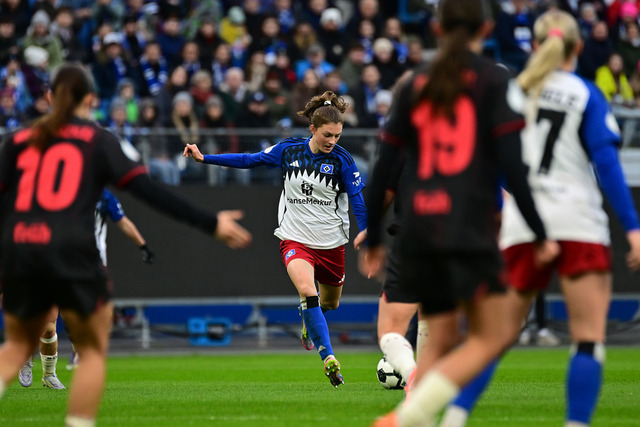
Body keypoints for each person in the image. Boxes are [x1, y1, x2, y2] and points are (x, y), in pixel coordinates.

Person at [0, 63, 251, 427]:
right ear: (92, 99)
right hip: (72, 252)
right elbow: (147, 190)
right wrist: (211, 223)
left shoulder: (17, 141)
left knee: (15, 347)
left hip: (22, 251)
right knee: (91, 351)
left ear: (49, 97)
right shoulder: (97, 140)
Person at [359, 0, 558, 425]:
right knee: (496, 332)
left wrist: (373, 235)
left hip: (417, 227)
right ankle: (408, 418)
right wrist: (540, 233)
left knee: (437, 335)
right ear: (486, 29)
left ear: (436, 28)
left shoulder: (414, 84)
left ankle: (420, 414)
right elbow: (514, 167)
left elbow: (384, 167)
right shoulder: (495, 81)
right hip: (468, 226)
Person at [441, 10, 640, 427]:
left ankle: (453, 418)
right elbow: (607, 163)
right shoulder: (585, 93)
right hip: (578, 222)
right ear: (578, 47)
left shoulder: (513, 93)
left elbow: (487, 165)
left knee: (492, 339)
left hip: (523, 225)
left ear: (533, 45)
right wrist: (634, 228)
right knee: (588, 340)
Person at [183, 90, 368, 387]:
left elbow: (358, 201)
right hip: (294, 239)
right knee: (307, 291)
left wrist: (367, 234)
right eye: (327, 135)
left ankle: (309, 322)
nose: (332, 141)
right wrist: (205, 158)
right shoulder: (288, 150)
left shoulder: (343, 161)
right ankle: (328, 357)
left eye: (337, 135)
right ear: (312, 129)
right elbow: (249, 159)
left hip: (331, 243)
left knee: (329, 304)